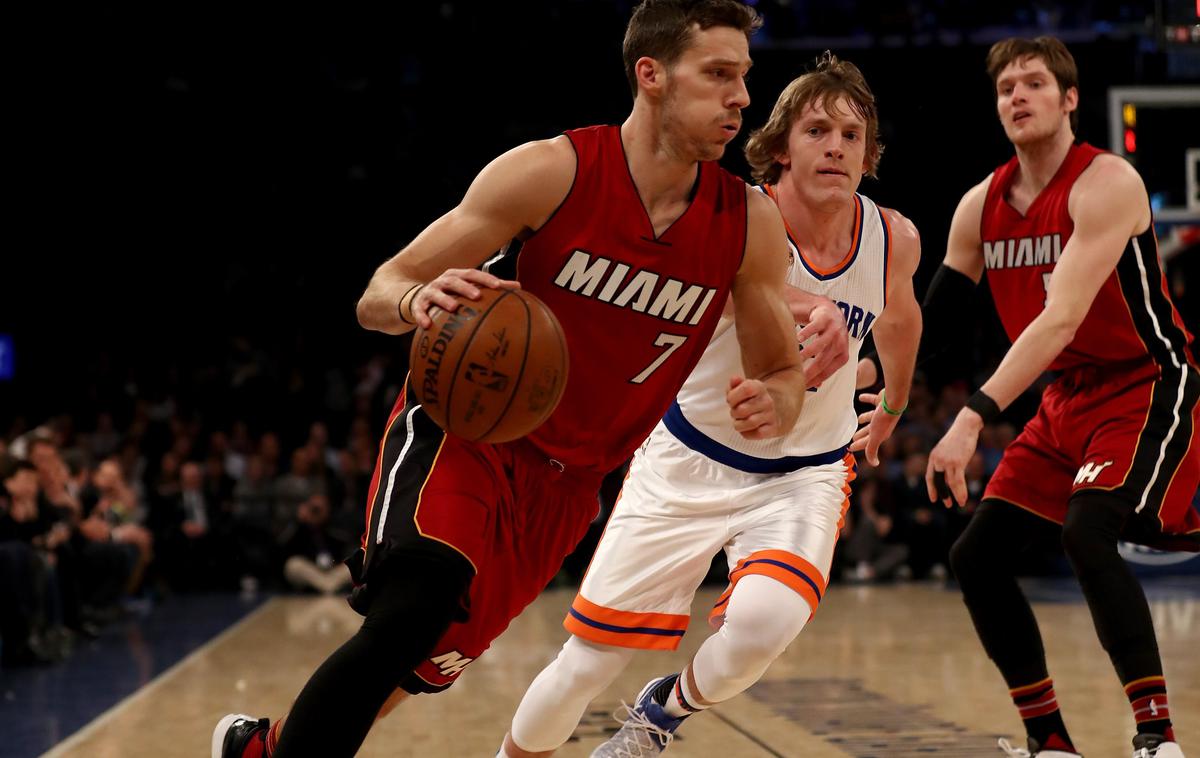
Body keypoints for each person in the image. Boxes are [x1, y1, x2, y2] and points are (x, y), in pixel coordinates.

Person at [211, 2, 833, 756]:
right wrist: (415, 299)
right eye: (718, 74)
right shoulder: (552, 173)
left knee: (418, 666)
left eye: (744, 77)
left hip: (568, 489)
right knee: (415, 605)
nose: (740, 96)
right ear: (652, 76)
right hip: (471, 436)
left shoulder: (746, 222)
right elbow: (380, 291)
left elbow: (780, 371)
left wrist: (774, 399)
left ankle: (265, 750)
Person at [497, 52, 922, 758]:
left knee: (764, 625)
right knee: (585, 666)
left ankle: (662, 714)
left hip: (805, 470)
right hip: (690, 457)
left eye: (853, 135)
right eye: (818, 131)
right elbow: (725, 277)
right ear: (781, 145)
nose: (837, 148)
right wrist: (802, 303)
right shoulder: (733, 215)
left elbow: (901, 320)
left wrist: (895, 406)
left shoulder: (893, 238)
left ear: (869, 152)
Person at [923, 36, 1198, 758]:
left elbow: (1061, 317)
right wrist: (872, 387)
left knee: (1088, 528)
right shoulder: (978, 205)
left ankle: (1156, 737)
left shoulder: (1106, 181)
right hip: (1065, 397)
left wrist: (973, 415)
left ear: (1070, 99)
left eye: (1035, 83)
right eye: (1006, 87)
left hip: (1147, 381)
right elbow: (932, 325)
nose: (1017, 96)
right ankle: (1050, 743)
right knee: (975, 556)